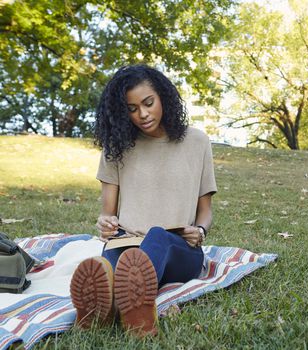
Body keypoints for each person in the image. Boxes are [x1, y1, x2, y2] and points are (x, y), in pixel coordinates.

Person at [69, 64, 217, 337]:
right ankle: (105, 309)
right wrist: (105, 224)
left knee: (156, 237)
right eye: (132, 108)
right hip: (126, 241)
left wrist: (200, 231)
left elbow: (205, 211)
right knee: (111, 264)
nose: (143, 114)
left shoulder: (197, 141)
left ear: (163, 96)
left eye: (148, 103)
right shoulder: (117, 146)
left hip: (179, 248)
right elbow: (107, 214)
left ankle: (131, 309)